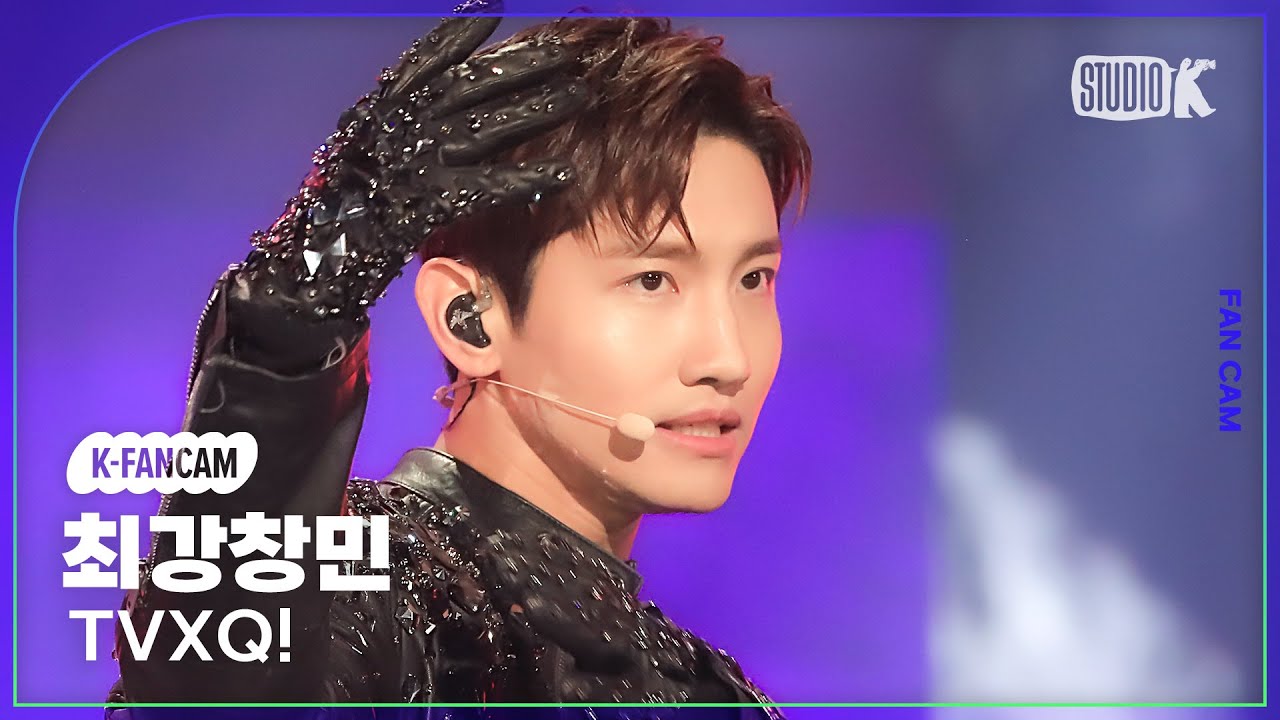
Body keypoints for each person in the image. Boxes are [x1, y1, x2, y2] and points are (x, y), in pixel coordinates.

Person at [106, 7, 810, 717]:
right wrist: (296, 308)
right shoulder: (366, 589)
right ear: (468, 318)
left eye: (754, 279)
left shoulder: (707, 689)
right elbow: (216, 686)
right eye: (652, 280)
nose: (730, 357)